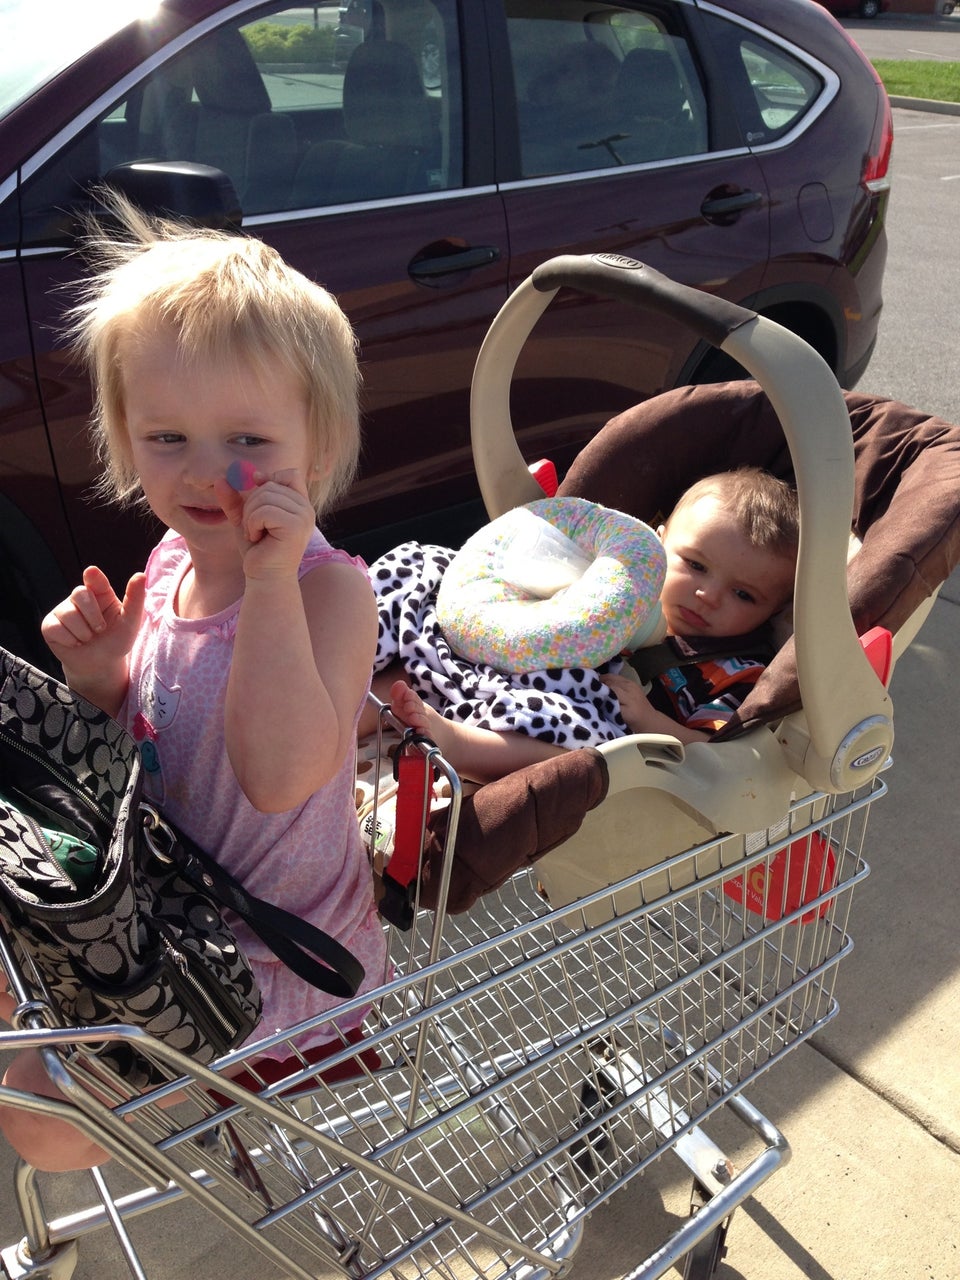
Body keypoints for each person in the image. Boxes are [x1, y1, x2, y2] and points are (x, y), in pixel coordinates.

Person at [0, 194, 382, 1171]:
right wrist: (103, 678)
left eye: (247, 442)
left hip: (268, 964)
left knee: (39, 1121)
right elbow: (148, 746)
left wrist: (268, 583)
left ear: (318, 447)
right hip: (157, 909)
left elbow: (276, 778)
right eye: (167, 438)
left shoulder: (328, 594)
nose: (208, 472)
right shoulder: (170, 560)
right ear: (124, 438)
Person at [387, 468, 799, 783]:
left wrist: (649, 721)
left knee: (588, 757)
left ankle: (462, 747)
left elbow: (720, 753)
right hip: (517, 678)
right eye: (695, 565)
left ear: (774, 611)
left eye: (743, 594)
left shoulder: (736, 673)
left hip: (602, 738)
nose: (707, 595)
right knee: (435, 633)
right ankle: (370, 704)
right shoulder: (612, 586)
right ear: (655, 543)